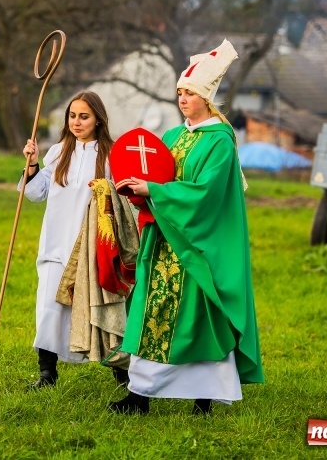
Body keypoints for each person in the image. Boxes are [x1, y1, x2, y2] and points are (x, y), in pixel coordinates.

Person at [109, 39, 264, 415]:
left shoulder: (220, 143)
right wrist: (136, 191)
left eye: (190, 93)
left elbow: (207, 195)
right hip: (164, 241)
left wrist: (155, 191)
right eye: (179, 92)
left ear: (207, 98)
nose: (183, 99)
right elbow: (154, 176)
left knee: (198, 319)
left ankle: (203, 399)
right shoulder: (173, 137)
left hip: (197, 246)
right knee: (153, 312)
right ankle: (140, 395)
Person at [20, 91, 128, 388]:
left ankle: (122, 373)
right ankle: (47, 372)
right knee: (49, 307)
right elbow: (34, 192)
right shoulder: (58, 152)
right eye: (72, 116)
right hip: (56, 243)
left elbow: (122, 198)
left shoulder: (110, 154)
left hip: (93, 245)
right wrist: (31, 164)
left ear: (98, 120)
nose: (77, 122)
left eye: (84, 116)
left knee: (102, 306)